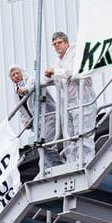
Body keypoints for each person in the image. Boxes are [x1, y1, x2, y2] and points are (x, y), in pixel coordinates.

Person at [44, 31, 94, 167]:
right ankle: (72, 163)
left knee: (83, 131)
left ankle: (86, 161)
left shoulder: (76, 53)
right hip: (67, 102)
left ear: (66, 42)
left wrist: (55, 72)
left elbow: (74, 72)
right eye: (54, 44)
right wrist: (50, 76)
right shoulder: (59, 60)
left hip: (82, 98)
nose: (56, 46)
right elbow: (59, 75)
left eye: (59, 43)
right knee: (69, 134)